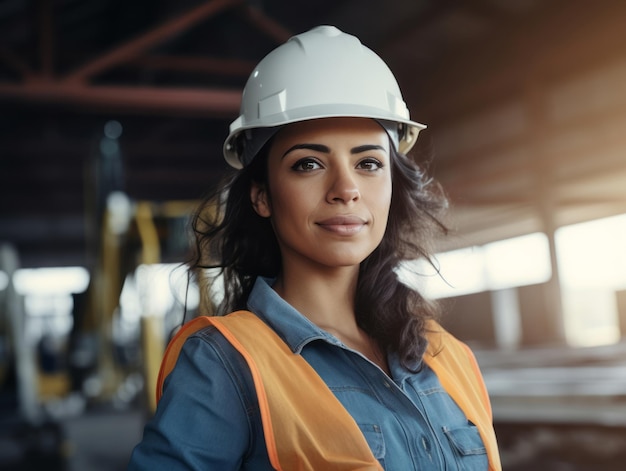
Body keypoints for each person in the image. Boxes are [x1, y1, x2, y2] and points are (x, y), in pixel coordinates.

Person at [127, 25, 501, 471]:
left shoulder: (449, 358)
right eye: (309, 164)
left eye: (368, 163)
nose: (346, 188)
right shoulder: (226, 365)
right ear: (261, 196)